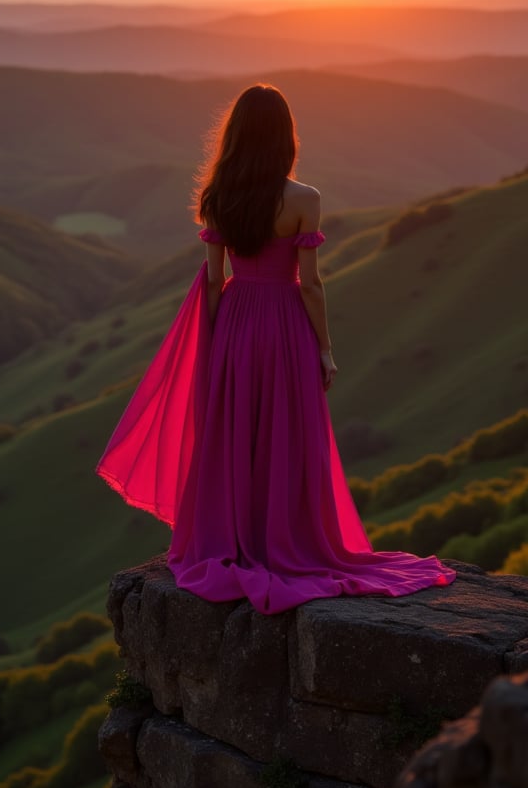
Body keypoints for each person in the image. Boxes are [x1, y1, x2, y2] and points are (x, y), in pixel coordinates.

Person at [96, 83, 455, 612]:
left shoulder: (219, 197)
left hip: (238, 323)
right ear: (285, 137)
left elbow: (214, 282)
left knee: (237, 430)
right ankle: (286, 540)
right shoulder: (305, 199)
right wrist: (325, 348)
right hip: (285, 326)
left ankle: (238, 538)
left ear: (236, 136)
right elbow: (310, 284)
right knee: (286, 432)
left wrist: (214, 341)